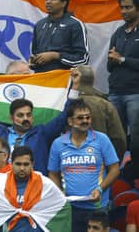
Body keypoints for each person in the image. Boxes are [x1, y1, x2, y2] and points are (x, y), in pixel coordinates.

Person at [48, 99, 120, 232]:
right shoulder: (58, 143)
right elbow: (52, 173)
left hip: (97, 207)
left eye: (88, 117)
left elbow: (115, 169)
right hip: (70, 207)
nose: (85, 121)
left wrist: (100, 188)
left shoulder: (101, 139)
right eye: (80, 118)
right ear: (70, 121)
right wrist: (59, 193)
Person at [0, 146, 71, 232]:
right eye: (18, 164)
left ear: (32, 164)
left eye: (26, 164)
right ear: (11, 164)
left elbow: (63, 207)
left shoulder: (46, 185)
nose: (22, 168)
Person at [30, 0, 89, 72]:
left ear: (64, 3)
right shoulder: (39, 25)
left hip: (63, 80)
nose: (48, 2)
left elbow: (83, 59)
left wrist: (56, 55)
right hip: (41, 80)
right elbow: (35, 53)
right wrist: (33, 62)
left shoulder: (75, 24)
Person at [73, 65, 127, 159]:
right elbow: (119, 139)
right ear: (93, 80)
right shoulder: (106, 105)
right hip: (101, 162)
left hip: (71, 164)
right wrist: (112, 163)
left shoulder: (67, 104)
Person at [108, 0, 139, 131]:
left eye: (128, 7)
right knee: (116, 134)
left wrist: (122, 59)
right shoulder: (118, 33)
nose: (124, 11)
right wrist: (114, 59)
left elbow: (119, 59)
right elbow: (109, 66)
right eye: (122, 7)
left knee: (135, 134)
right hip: (115, 92)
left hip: (135, 93)